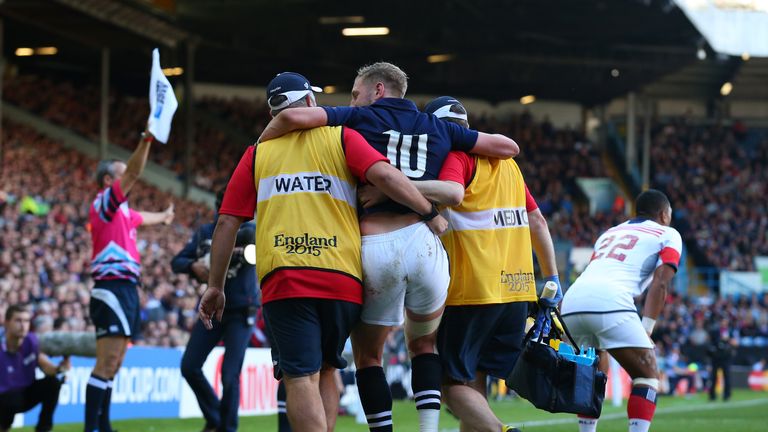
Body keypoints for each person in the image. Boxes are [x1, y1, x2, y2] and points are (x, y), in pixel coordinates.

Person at [258, 62, 520, 432]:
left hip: (375, 243)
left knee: (368, 356)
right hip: (425, 245)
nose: (352, 99)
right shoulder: (438, 127)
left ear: (377, 90)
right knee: (425, 344)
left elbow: (291, 119)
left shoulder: (354, 118)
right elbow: (508, 147)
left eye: (355, 92)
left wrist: (259, 148)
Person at [198, 71, 447, 432]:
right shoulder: (343, 138)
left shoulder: (258, 153)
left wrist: (215, 285)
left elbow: (226, 223)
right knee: (329, 368)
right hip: (343, 279)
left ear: (273, 115)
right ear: (311, 103)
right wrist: (429, 213)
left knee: (300, 377)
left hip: (286, 278)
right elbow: (389, 177)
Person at [358, 96, 560, 432]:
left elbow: (451, 192)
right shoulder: (508, 166)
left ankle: (503, 431)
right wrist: (552, 279)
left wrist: (390, 187)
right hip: (516, 293)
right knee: (474, 386)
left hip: (473, 293)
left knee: (450, 386)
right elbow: (537, 220)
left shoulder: (457, 157)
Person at [561, 189, 682, 432]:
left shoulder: (610, 232)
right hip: (609, 301)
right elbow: (661, 281)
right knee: (647, 375)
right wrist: (647, 328)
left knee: (591, 373)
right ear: (663, 214)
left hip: (571, 300)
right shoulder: (668, 233)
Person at [85, 130, 175, 432]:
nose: (131, 179)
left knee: (117, 362)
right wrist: (146, 139)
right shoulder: (104, 203)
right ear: (110, 181)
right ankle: (91, 428)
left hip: (126, 289)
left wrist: (163, 216)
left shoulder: (122, 211)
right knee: (107, 362)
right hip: (110, 289)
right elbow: (136, 170)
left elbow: (141, 217)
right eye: (123, 175)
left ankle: (104, 425)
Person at [173, 190, 257, 432]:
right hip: (211, 310)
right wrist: (193, 265)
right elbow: (177, 262)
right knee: (189, 366)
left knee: (230, 375)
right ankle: (217, 418)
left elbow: (249, 237)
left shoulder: (249, 231)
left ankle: (226, 427)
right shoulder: (205, 234)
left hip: (242, 311)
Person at [0, 305, 70, 432]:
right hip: (3, 399)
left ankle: (43, 429)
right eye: (18, 320)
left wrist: (60, 368)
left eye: (26, 321)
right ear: (6, 323)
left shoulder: (32, 341)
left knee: (53, 383)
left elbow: (46, 366)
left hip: (25, 395)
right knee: (10, 399)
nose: (23, 325)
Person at [707, 316, 738, 401]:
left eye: (725, 321)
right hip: (716, 357)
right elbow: (710, 343)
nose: (724, 323)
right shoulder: (715, 331)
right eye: (723, 321)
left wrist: (728, 340)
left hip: (726, 357)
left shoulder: (730, 332)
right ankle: (712, 396)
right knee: (713, 377)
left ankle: (727, 395)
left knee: (727, 376)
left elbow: (735, 343)